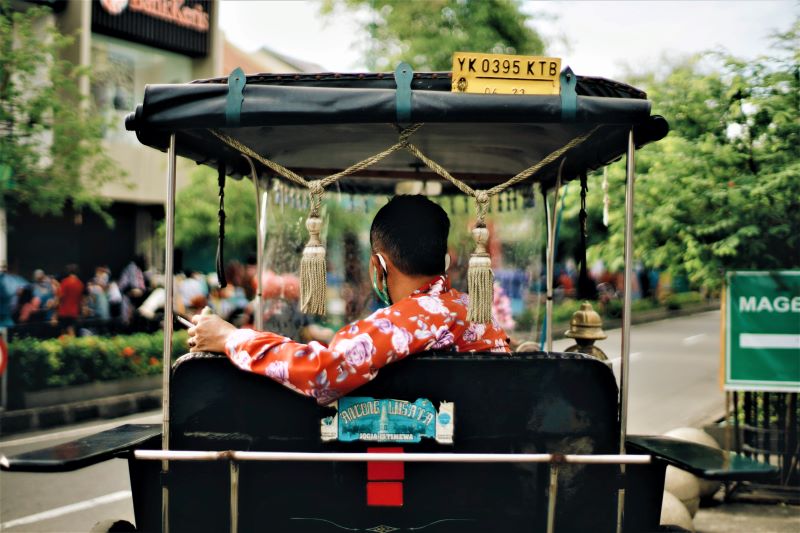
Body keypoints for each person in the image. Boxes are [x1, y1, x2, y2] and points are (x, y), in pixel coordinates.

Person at [189, 195, 511, 405]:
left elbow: (321, 372)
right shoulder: (473, 311)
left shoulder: (408, 321)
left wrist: (231, 337)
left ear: (379, 266)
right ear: (443, 260)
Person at [57, 264, 85, 336]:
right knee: (71, 330)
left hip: (64, 311)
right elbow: (81, 300)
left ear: (68, 272)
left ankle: (65, 346)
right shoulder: (80, 283)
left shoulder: (65, 282)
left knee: (63, 332)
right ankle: (72, 346)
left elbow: (60, 297)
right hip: (74, 312)